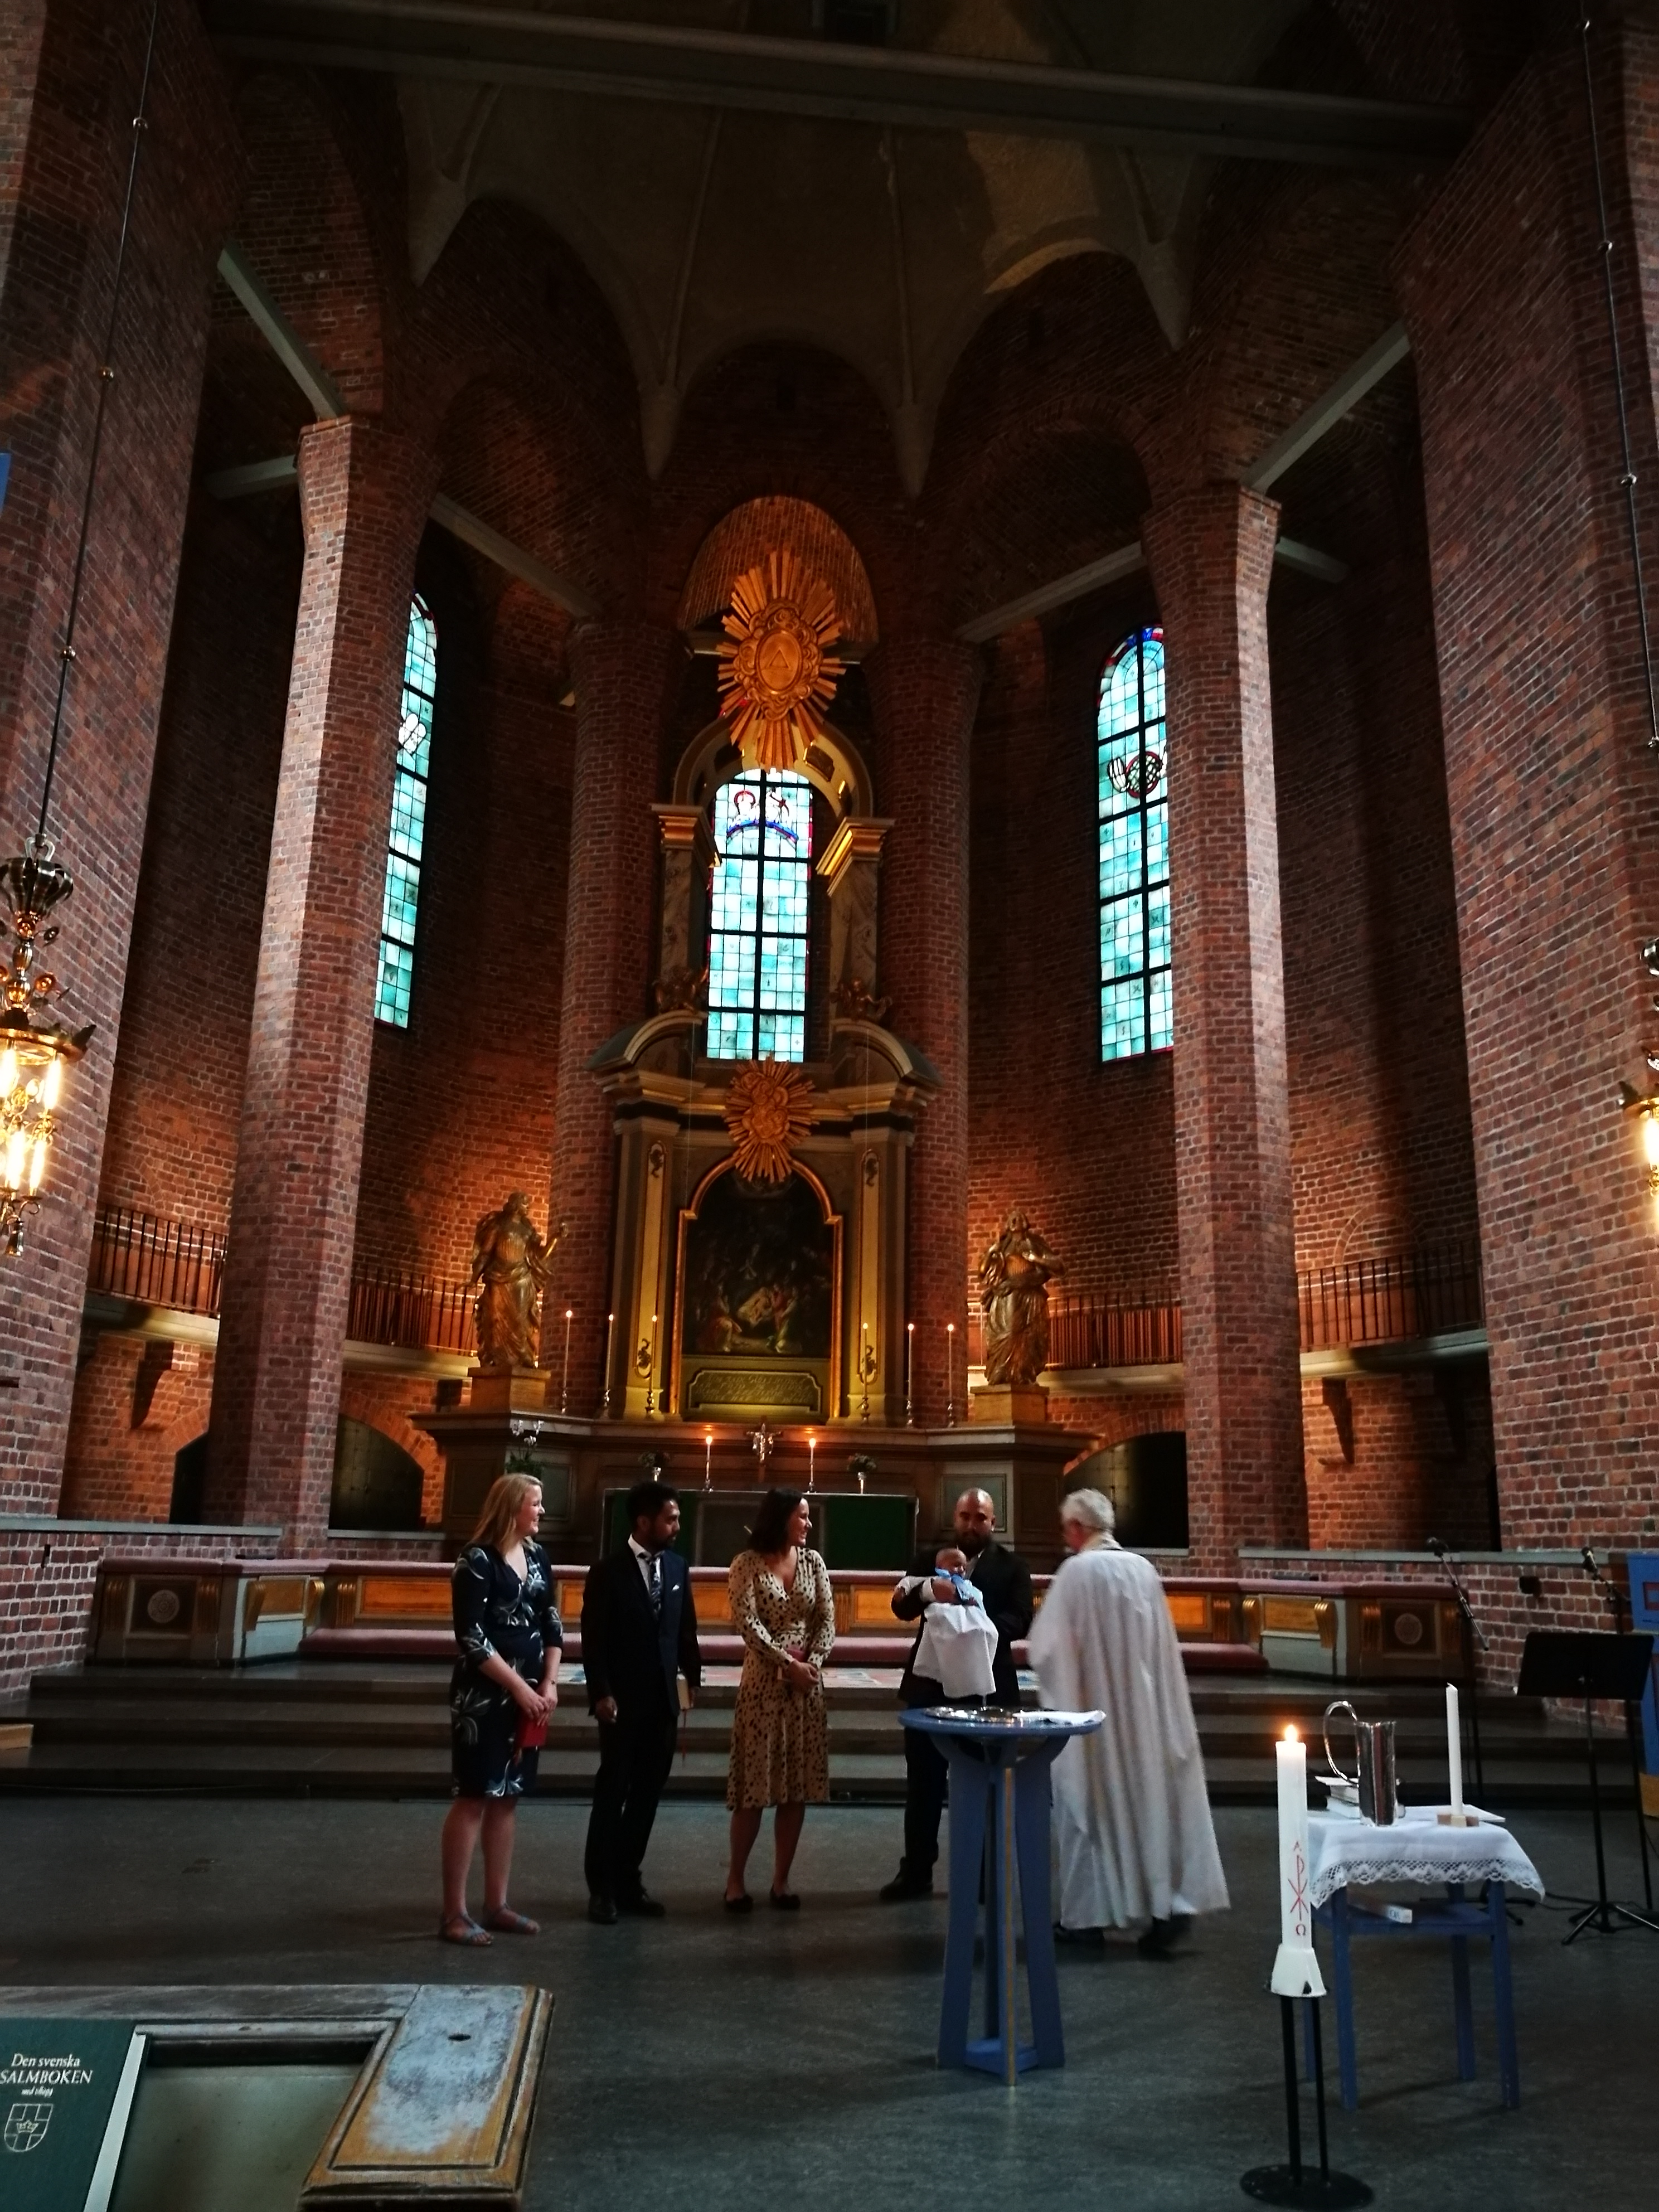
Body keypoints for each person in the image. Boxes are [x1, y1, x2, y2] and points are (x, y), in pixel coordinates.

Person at [1027, 1486, 1229, 1956]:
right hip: (1146, 1713)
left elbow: (1048, 1649)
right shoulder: (1143, 1569)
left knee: (1088, 1804)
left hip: (1093, 1716)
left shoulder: (1077, 1572)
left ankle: (1087, 1919)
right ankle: (1165, 1909)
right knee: (1153, 1806)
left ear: (1076, 1528)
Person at [880, 1486, 1034, 1901]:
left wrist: (973, 1628)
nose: (971, 1524)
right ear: (955, 1518)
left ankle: (983, 1878)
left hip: (986, 1689)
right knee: (923, 1785)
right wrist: (931, 1587)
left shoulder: (1012, 1567)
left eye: (980, 1517)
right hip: (930, 1689)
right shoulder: (929, 1558)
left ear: (993, 1522)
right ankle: (916, 1873)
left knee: (983, 1784)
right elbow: (902, 1606)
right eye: (965, 1516)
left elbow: (1021, 1618)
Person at [440, 1471, 561, 1945]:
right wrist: (519, 1689)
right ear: (512, 1507)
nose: (542, 1510)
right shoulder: (476, 1561)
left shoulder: (538, 1557)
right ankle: (455, 1913)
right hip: (484, 1697)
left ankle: (497, 1904)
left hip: (531, 1694)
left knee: (508, 1796)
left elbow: (552, 1623)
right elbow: (471, 1636)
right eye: (535, 1502)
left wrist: (548, 1683)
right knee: (475, 1794)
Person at [580, 1478, 702, 1924]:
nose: (677, 1527)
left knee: (648, 1794)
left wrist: (693, 1678)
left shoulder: (678, 1568)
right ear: (644, 1522)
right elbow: (594, 1640)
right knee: (613, 1792)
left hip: (662, 1702)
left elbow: (684, 1628)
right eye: (671, 1519)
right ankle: (601, 1888)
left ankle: (628, 1880)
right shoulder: (607, 1572)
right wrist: (601, 1693)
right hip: (621, 1703)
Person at [724, 1486, 836, 1911]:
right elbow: (747, 1623)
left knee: (795, 1788)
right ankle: (736, 1880)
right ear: (781, 1517)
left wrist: (814, 1664)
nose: (809, 1523)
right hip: (764, 1685)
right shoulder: (747, 1564)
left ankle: (781, 1881)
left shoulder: (813, 1562)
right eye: (802, 1516)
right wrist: (786, 1663)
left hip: (806, 1687)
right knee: (754, 1787)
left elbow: (827, 1619)